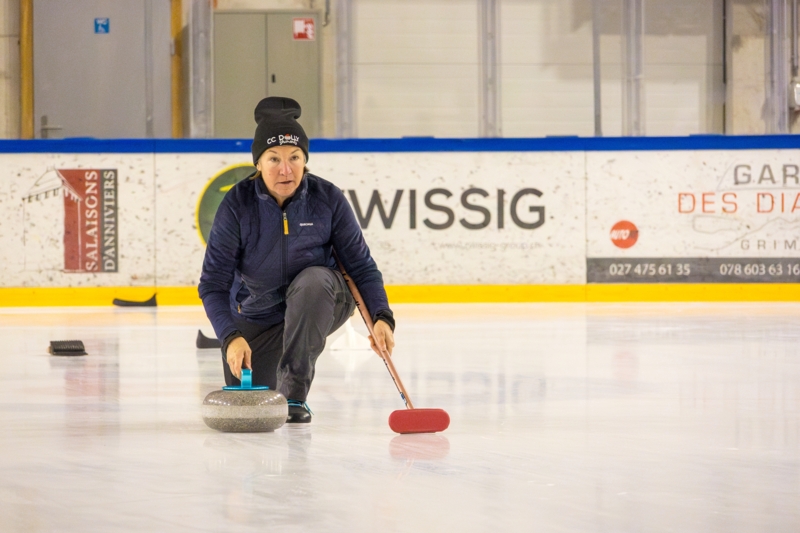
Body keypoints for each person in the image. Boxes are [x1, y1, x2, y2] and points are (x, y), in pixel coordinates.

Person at [198, 96, 395, 423]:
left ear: (306, 160)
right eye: (273, 159)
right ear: (258, 164)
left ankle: (296, 396)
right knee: (255, 402)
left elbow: (361, 267)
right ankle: (275, 372)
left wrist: (381, 316)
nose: (285, 169)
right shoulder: (237, 205)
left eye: (294, 157)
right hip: (258, 315)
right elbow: (213, 284)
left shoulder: (327, 198)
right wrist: (231, 338)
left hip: (322, 299)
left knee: (314, 280)